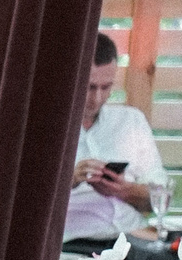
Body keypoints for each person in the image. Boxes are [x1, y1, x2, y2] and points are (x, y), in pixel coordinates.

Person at [66, 33, 164, 243]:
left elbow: (161, 196)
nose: (97, 98)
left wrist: (125, 191)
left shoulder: (131, 121)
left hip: (131, 238)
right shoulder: (44, 129)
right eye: (90, 87)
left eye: (106, 87)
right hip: (72, 242)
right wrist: (70, 181)